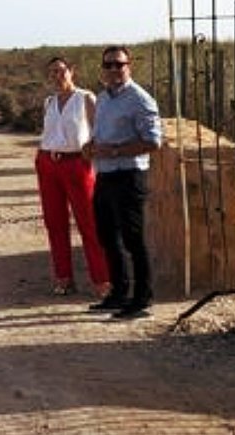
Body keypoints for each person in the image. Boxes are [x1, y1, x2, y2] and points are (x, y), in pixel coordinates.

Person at [82, 46, 163, 320]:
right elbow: (103, 135)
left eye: (119, 64)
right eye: (109, 65)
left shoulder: (140, 100)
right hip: (105, 175)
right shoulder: (104, 98)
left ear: (129, 66)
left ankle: (142, 300)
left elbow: (153, 142)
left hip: (129, 176)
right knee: (107, 237)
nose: (114, 70)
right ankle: (119, 293)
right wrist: (92, 146)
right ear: (102, 69)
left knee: (133, 240)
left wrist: (114, 151)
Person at [34, 57, 110, 297]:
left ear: (71, 71)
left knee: (90, 223)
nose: (57, 76)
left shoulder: (86, 98)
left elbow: (101, 131)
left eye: (61, 71)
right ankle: (63, 278)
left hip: (77, 163)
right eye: (52, 73)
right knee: (54, 223)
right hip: (48, 163)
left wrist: (92, 150)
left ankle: (102, 280)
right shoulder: (49, 102)